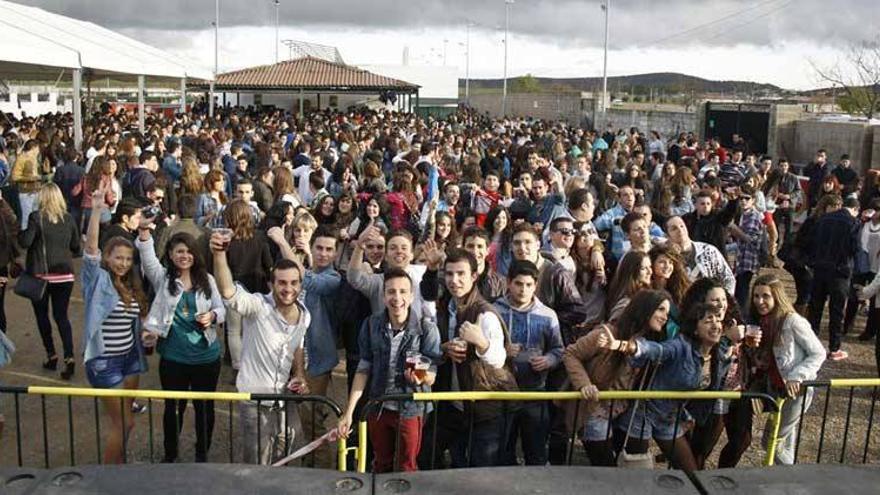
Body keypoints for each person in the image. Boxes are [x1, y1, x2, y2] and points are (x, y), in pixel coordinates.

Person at [211, 232, 311, 465]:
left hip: (285, 398)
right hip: (254, 400)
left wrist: (299, 375)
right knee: (258, 460)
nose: (288, 289)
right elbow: (228, 292)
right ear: (271, 284)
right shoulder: (258, 306)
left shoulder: (305, 314)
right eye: (282, 283)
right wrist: (219, 255)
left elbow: (298, 346)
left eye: (294, 283)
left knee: (292, 450)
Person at [337, 268, 441, 472]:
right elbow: (363, 369)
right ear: (383, 296)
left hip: (411, 409)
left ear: (411, 296)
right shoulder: (371, 325)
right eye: (391, 292)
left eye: (403, 292)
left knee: (407, 465)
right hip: (379, 406)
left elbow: (433, 373)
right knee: (381, 463)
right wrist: (349, 412)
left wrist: (422, 377)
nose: (397, 297)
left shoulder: (426, 328)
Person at [421, 249, 517, 468]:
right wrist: (445, 349)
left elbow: (499, 359)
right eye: (449, 274)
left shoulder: (485, 313)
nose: (454, 280)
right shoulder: (446, 306)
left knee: (480, 471)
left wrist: (481, 342)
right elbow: (427, 292)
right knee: (430, 454)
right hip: (452, 404)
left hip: (485, 408)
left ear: (474, 276)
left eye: (461, 274)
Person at [136, 227, 226, 463]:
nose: (184, 256)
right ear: (171, 254)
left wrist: (213, 316)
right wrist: (145, 231)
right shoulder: (164, 279)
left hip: (206, 358)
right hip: (173, 359)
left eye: (188, 251)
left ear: (195, 254)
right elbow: (147, 258)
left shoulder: (207, 280)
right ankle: (170, 453)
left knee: (204, 409)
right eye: (178, 252)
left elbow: (221, 308)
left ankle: (201, 453)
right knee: (173, 409)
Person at [740, 274, 826, 465]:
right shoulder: (759, 322)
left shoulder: (793, 321)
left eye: (765, 296)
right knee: (784, 442)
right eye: (756, 296)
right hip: (775, 390)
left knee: (771, 442)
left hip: (795, 392)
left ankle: (791, 478)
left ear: (777, 296)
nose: (760, 301)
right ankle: (786, 481)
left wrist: (798, 376)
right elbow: (763, 360)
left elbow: (818, 352)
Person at [494, 260, 563, 466]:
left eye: (528, 285)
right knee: (503, 452)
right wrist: (502, 352)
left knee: (536, 451)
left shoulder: (548, 315)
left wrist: (549, 360)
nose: (523, 289)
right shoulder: (494, 311)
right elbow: (484, 348)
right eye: (518, 284)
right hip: (502, 392)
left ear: (535, 285)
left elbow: (559, 349)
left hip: (536, 392)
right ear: (508, 283)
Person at [19, 184, 80, 379]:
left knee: (42, 316)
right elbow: (76, 247)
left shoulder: (36, 217)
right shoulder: (69, 218)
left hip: (41, 275)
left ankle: (51, 354)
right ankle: (69, 357)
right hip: (64, 275)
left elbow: (26, 242)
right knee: (62, 317)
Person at [219, 200, 273, 372]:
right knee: (256, 330)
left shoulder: (226, 241)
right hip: (258, 289)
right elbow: (268, 264)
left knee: (234, 331)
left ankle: (238, 366)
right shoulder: (260, 237)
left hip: (234, 289)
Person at [808, 196, 861, 361]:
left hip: (820, 268)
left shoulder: (824, 219)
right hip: (840, 272)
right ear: (855, 210)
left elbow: (813, 242)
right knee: (836, 312)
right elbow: (855, 248)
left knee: (815, 308)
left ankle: (811, 344)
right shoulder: (853, 223)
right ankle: (834, 347)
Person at [665, 216, 736, 295]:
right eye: (674, 228)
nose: (680, 230)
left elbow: (728, 278)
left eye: (682, 226)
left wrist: (725, 299)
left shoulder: (707, 250)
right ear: (667, 235)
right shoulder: (668, 257)